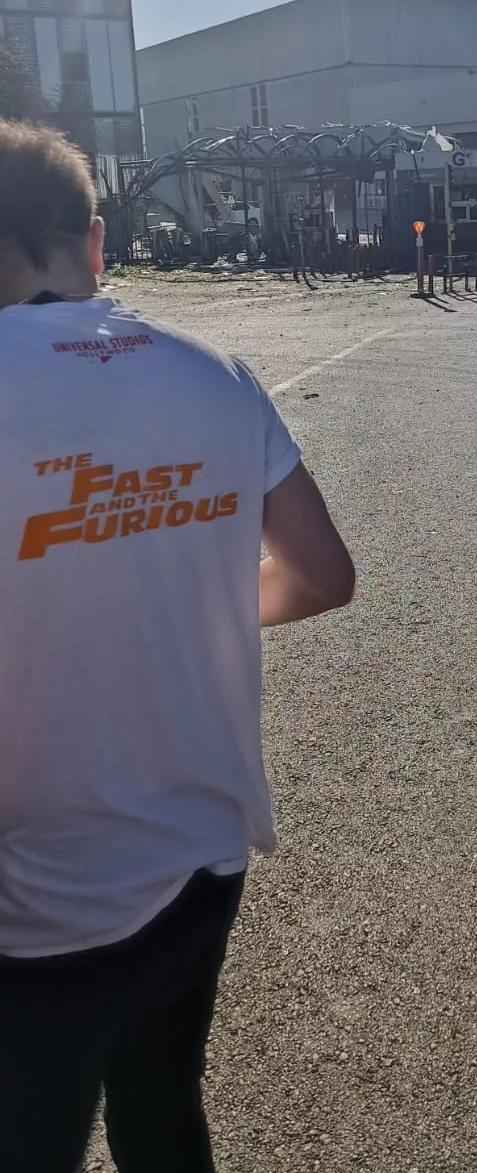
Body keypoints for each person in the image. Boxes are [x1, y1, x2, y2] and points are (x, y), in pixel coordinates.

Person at [0, 120, 356, 1173]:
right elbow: (322, 575)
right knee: (162, 1108)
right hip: (205, 850)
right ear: (94, 241)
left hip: (40, 885)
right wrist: (173, 599)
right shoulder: (218, 376)